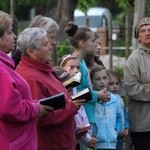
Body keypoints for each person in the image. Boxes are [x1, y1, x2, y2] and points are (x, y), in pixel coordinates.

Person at [15, 27, 85, 150]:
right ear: (31, 52)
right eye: (45, 44)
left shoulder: (42, 69)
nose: (50, 47)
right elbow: (40, 116)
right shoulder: (31, 77)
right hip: (51, 143)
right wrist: (71, 107)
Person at [0, 10, 52, 150]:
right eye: (10, 32)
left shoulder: (5, 65)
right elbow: (9, 108)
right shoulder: (1, 70)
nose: (15, 36)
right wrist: (34, 108)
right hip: (13, 142)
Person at [65, 22, 109, 128]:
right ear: (83, 43)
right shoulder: (75, 66)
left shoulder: (83, 63)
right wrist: (97, 95)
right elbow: (76, 94)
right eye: (93, 41)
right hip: (82, 119)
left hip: (88, 114)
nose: (96, 44)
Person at [59, 54, 97, 150]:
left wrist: (86, 138)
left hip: (76, 137)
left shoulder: (75, 89)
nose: (76, 70)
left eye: (78, 68)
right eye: (71, 67)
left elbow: (81, 114)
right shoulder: (59, 89)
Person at [124, 17, 150, 150]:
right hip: (143, 125)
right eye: (143, 30)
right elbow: (132, 89)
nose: (147, 33)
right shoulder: (133, 60)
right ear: (138, 36)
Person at [90, 65, 122, 150]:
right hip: (95, 144)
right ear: (91, 81)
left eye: (104, 78)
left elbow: (119, 118)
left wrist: (115, 131)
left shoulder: (115, 99)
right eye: (98, 79)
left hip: (112, 144)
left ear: (108, 79)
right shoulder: (91, 100)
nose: (102, 81)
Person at [107, 70, 129, 150]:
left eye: (117, 83)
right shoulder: (106, 100)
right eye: (111, 84)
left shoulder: (120, 99)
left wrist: (126, 127)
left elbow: (124, 114)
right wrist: (117, 131)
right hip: (110, 138)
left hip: (121, 137)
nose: (115, 86)